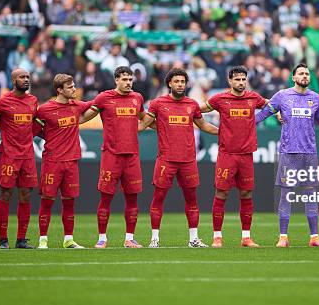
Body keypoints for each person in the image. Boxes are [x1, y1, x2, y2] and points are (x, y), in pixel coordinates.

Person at [138, 68, 218, 247]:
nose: (180, 85)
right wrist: (123, 126)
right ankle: (154, 239)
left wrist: (223, 132)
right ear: (169, 84)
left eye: (183, 82)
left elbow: (203, 124)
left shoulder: (192, 104)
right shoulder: (158, 103)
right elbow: (144, 124)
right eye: (177, 82)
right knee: (158, 198)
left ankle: (193, 239)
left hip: (189, 160)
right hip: (166, 159)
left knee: (192, 199)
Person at [255, 64, 319, 247]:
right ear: (293, 77)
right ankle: (283, 237)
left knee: (311, 195)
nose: (304, 76)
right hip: (289, 152)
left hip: (309, 153)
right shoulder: (282, 96)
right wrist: (242, 123)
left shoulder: (316, 99)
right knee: (286, 194)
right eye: (301, 73)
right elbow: (262, 115)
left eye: (307, 74)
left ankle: (314, 237)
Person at [200, 66, 267, 248]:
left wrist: (282, 113)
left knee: (246, 193)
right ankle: (217, 237)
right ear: (230, 81)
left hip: (246, 155)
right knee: (221, 193)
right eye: (237, 79)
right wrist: (213, 130)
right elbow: (197, 112)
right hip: (227, 154)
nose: (241, 82)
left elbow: (271, 105)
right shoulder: (220, 99)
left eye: (243, 79)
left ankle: (246, 238)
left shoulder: (253, 97)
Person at [79, 66, 146, 249]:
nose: (128, 83)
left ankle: (129, 238)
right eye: (124, 80)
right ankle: (102, 238)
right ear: (116, 80)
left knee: (132, 199)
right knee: (106, 198)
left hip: (132, 156)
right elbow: (84, 118)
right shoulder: (104, 98)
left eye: (130, 80)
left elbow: (144, 118)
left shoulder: (137, 98)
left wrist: (162, 125)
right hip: (111, 156)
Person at [34, 74, 91, 249]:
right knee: (47, 200)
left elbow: (96, 105)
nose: (74, 89)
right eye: (70, 87)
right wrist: (50, 136)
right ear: (59, 90)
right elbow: (34, 129)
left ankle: (69, 239)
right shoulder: (44, 110)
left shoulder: (77, 105)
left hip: (72, 161)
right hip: (52, 161)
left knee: (69, 201)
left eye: (74, 86)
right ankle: (43, 239)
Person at [0, 69, 38, 249]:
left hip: (27, 155)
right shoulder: (2, 102)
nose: (26, 80)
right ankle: (3, 240)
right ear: (13, 80)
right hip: (9, 156)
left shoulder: (33, 101)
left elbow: (34, 125)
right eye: (22, 77)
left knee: (26, 195)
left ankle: (21, 239)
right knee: (6, 194)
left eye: (27, 77)